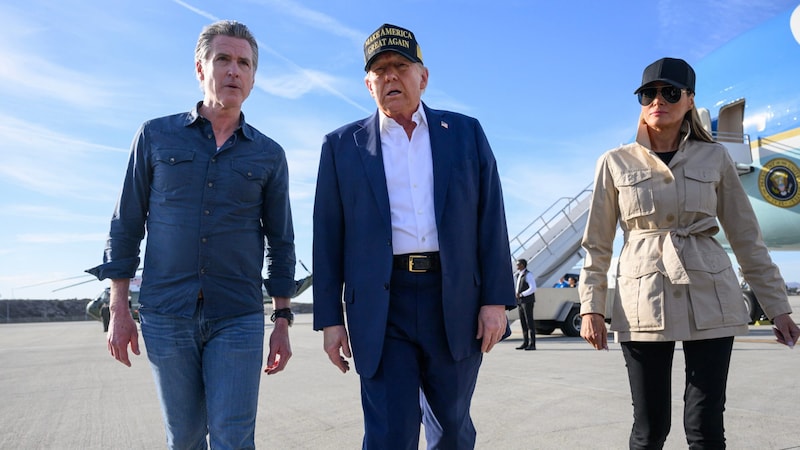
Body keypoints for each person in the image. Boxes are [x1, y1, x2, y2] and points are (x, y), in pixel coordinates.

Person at [86, 20, 296, 449]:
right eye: (223, 59)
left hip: (237, 316)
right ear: (201, 69)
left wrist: (282, 320)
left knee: (233, 438)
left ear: (254, 78)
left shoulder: (269, 155)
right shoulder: (155, 136)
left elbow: (281, 241)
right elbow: (125, 224)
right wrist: (119, 306)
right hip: (166, 314)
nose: (233, 71)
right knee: (183, 438)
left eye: (244, 63)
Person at [312, 23, 516, 449]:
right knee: (389, 434)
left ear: (422, 77)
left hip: (453, 299)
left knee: (452, 431)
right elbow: (328, 238)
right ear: (368, 85)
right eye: (380, 70)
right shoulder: (340, 147)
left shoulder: (465, 134)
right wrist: (330, 320)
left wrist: (495, 300)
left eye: (400, 66)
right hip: (382, 306)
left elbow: (491, 221)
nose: (390, 76)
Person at [578, 57, 799, 449]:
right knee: (649, 429)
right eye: (648, 93)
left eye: (670, 92)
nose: (657, 100)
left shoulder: (715, 158)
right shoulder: (614, 162)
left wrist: (778, 306)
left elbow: (747, 237)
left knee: (705, 426)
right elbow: (596, 243)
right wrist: (591, 307)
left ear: (690, 100)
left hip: (711, 294)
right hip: (641, 300)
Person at [514, 259, 537, 350]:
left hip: (527, 301)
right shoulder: (519, 275)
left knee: (529, 322)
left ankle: (533, 344)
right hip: (521, 302)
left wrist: (522, 294)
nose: (516, 266)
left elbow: (533, 288)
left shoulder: (528, 274)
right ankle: (525, 342)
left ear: (523, 265)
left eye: (518, 264)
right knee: (523, 322)